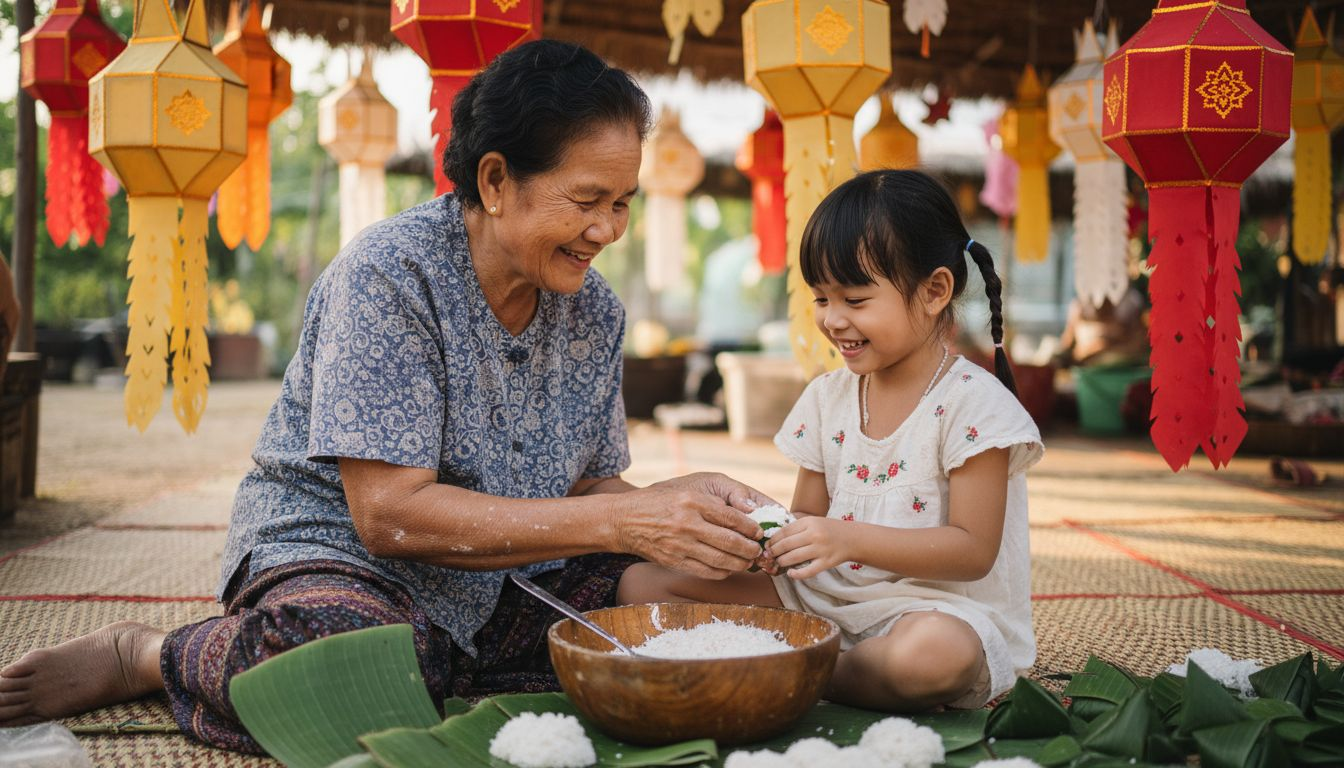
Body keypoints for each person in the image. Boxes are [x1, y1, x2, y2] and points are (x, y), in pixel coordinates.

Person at [0, 41, 772, 752]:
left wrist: (681, 505)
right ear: (497, 180)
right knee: (351, 661)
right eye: (586, 199)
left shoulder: (595, 310)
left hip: (510, 570)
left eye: (623, 202)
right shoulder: (390, 275)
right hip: (345, 555)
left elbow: (588, 489)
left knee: (741, 601)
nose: (607, 227)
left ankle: (447, 671)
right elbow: (387, 514)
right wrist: (622, 518)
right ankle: (147, 654)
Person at [620, 170, 1044, 712]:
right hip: (821, 602)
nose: (833, 319)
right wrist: (765, 540)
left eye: (856, 299)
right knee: (644, 587)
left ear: (935, 290)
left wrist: (845, 540)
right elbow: (806, 519)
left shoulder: (974, 406)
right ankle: (803, 660)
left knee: (934, 658)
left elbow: (973, 551)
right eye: (821, 298)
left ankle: (800, 668)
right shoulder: (828, 398)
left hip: (928, 613)